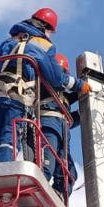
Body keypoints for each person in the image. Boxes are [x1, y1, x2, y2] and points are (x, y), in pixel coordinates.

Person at [0, 8, 77, 164]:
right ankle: (5, 168)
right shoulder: (43, 46)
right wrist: (79, 85)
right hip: (18, 97)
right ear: (46, 28)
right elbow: (55, 78)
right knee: (10, 136)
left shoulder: (10, 41)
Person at [39, 53, 80, 194]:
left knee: (69, 172)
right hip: (47, 128)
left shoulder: (63, 96)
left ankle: (60, 195)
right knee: (46, 165)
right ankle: (37, 191)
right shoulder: (42, 86)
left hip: (61, 133)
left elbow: (64, 119)